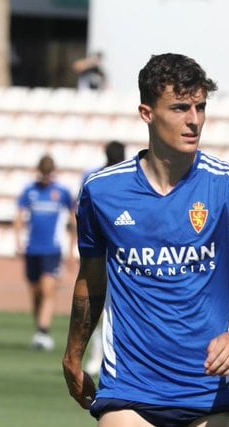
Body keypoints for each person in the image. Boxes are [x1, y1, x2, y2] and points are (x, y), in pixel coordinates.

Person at [62, 53, 229, 427]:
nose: (194, 120)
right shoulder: (102, 192)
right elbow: (91, 280)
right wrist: (73, 353)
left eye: (200, 107)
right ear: (147, 113)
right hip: (131, 385)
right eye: (180, 108)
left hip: (205, 389)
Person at [15, 154, 75, 351]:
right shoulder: (29, 191)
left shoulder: (61, 192)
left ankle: (43, 331)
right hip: (32, 247)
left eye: (49, 173)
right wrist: (18, 241)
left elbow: (74, 217)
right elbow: (19, 215)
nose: (46, 177)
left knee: (48, 288)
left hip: (52, 248)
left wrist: (72, 249)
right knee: (35, 291)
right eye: (44, 173)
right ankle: (39, 329)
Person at [80, 140, 127, 376]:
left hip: (112, 252)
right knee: (104, 306)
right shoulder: (98, 179)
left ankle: (104, 355)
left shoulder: (95, 179)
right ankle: (100, 355)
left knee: (104, 307)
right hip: (115, 252)